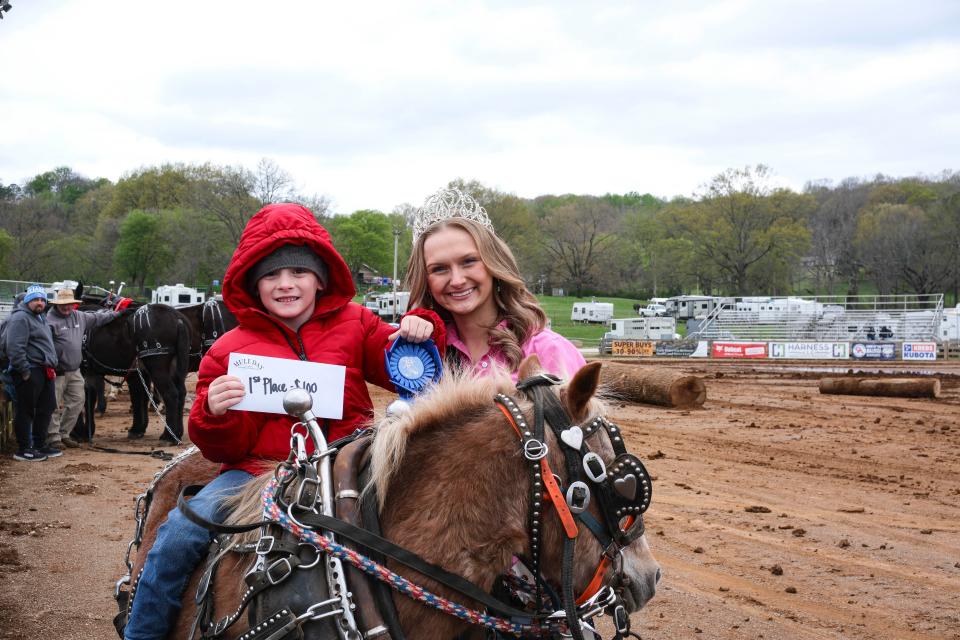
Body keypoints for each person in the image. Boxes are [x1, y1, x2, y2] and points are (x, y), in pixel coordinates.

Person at [123, 202, 444, 640]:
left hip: (351, 465)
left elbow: (407, 374)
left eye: (298, 272)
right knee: (179, 532)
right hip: (255, 473)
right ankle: (142, 633)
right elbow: (224, 449)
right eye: (270, 275)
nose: (285, 284)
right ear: (252, 285)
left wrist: (420, 329)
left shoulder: (358, 324)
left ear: (320, 277)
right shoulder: (228, 351)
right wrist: (215, 414)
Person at [405, 188, 585, 380]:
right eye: (439, 269)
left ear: (494, 264)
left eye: (469, 261)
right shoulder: (426, 357)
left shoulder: (549, 350)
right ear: (425, 280)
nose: (457, 280)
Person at [46, 288, 119, 449]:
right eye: (63, 305)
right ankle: (53, 437)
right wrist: (51, 363)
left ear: (74, 304)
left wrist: (115, 313)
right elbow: (44, 346)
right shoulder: (49, 321)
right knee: (53, 405)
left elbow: (98, 318)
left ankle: (64, 433)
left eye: (69, 304)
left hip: (74, 370)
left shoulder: (79, 316)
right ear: (57, 305)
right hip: (56, 371)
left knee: (78, 401)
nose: (66, 307)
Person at [3, 284, 61, 461]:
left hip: (44, 370)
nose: (40, 303)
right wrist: (25, 371)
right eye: (36, 299)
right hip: (30, 370)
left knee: (47, 407)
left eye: (42, 300)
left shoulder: (40, 318)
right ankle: (24, 449)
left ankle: (39, 444)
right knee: (26, 410)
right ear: (28, 301)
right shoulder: (21, 318)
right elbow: (14, 347)